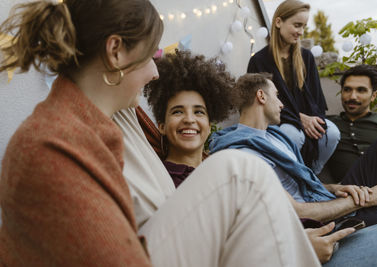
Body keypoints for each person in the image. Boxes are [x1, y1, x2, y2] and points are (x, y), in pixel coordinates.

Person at [0, 1, 321, 266]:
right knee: (241, 170)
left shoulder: (119, 116)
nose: (156, 71)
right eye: (153, 53)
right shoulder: (52, 146)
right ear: (115, 51)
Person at [209, 72, 377, 264]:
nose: (282, 104)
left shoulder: (276, 136)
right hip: (323, 222)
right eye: (277, 95)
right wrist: (367, 199)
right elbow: (296, 212)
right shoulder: (245, 154)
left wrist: (336, 188)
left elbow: (303, 183)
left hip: (331, 201)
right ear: (261, 96)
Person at [247, 0, 340, 174]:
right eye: (297, 25)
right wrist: (299, 119)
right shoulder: (259, 61)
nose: (301, 32)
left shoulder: (307, 58)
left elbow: (316, 98)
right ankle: (292, 178)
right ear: (278, 22)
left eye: (304, 26)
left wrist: (313, 120)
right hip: (276, 121)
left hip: (305, 117)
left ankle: (312, 174)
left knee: (331, 133)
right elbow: (260, 104)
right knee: (292, 134)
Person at [143, 50, 235, 187]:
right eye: (178, 112)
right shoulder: (156, 181)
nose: (189, 119)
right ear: (162, 126)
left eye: (198, 112)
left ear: (209, 125)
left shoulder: (224, 174)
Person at [326, 65, 377, 182]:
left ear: (373, 96)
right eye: (347, 89)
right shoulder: (329, 125)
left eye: (361, 90)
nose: (352, 96)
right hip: (344, 189)